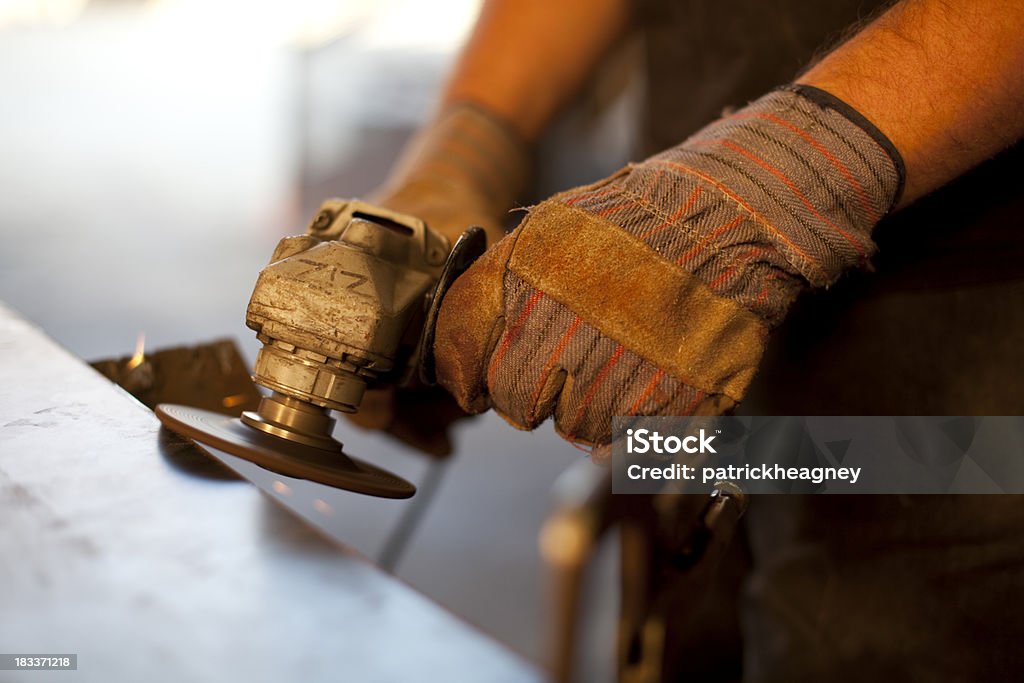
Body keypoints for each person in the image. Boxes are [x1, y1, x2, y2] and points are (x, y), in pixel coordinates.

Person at [353, 1, 1024, 679]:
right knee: (692, 633)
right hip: (689, 321)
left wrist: (795, 172)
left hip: (965, 348)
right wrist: (465, 151)